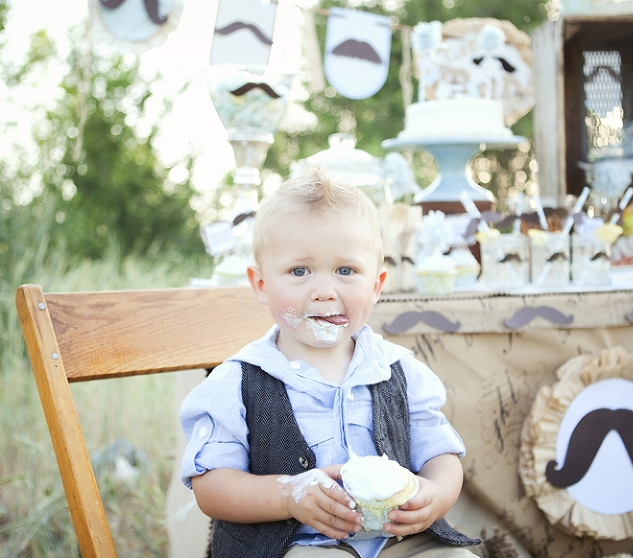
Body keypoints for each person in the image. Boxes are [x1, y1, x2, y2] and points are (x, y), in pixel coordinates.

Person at [179, 167, 482, 558]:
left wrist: (436, 494)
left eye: (345, 271)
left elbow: (440, 455)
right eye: (299, 271)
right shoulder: (237, 382)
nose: (324, 291)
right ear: (261, 284)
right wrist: (288, 495)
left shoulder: (399, 371)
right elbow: (211, 487)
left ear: (376, 286)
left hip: (397, 540)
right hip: (292, 545)